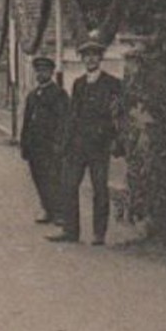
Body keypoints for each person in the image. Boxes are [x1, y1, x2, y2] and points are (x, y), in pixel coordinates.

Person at [52, 32, 126, 247]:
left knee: (100, 189)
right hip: (77, 145)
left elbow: (118, 115)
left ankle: (98, 234)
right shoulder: (78, 84)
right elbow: (73, 115)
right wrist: (66, 143)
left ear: (100, 58)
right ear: (82, 59)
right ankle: (71, 231)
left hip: (99, 145)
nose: (91, 59)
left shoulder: (113, 84)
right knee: (69, 186)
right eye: (86, 56)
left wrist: (115, 139)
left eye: (94, 55)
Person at [20, 55, 69, 226]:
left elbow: (64, 121)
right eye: (38, 71)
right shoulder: (32, 95)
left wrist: (59, 143)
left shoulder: (59, 94)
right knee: (38, 178)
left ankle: (60, 213)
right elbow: (27, 122)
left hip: (50, 145)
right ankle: (47, 209)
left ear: (51, 73)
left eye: (45, 71)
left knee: (54, 178)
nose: (41, 74)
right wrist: (24, 144)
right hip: (35, 146)